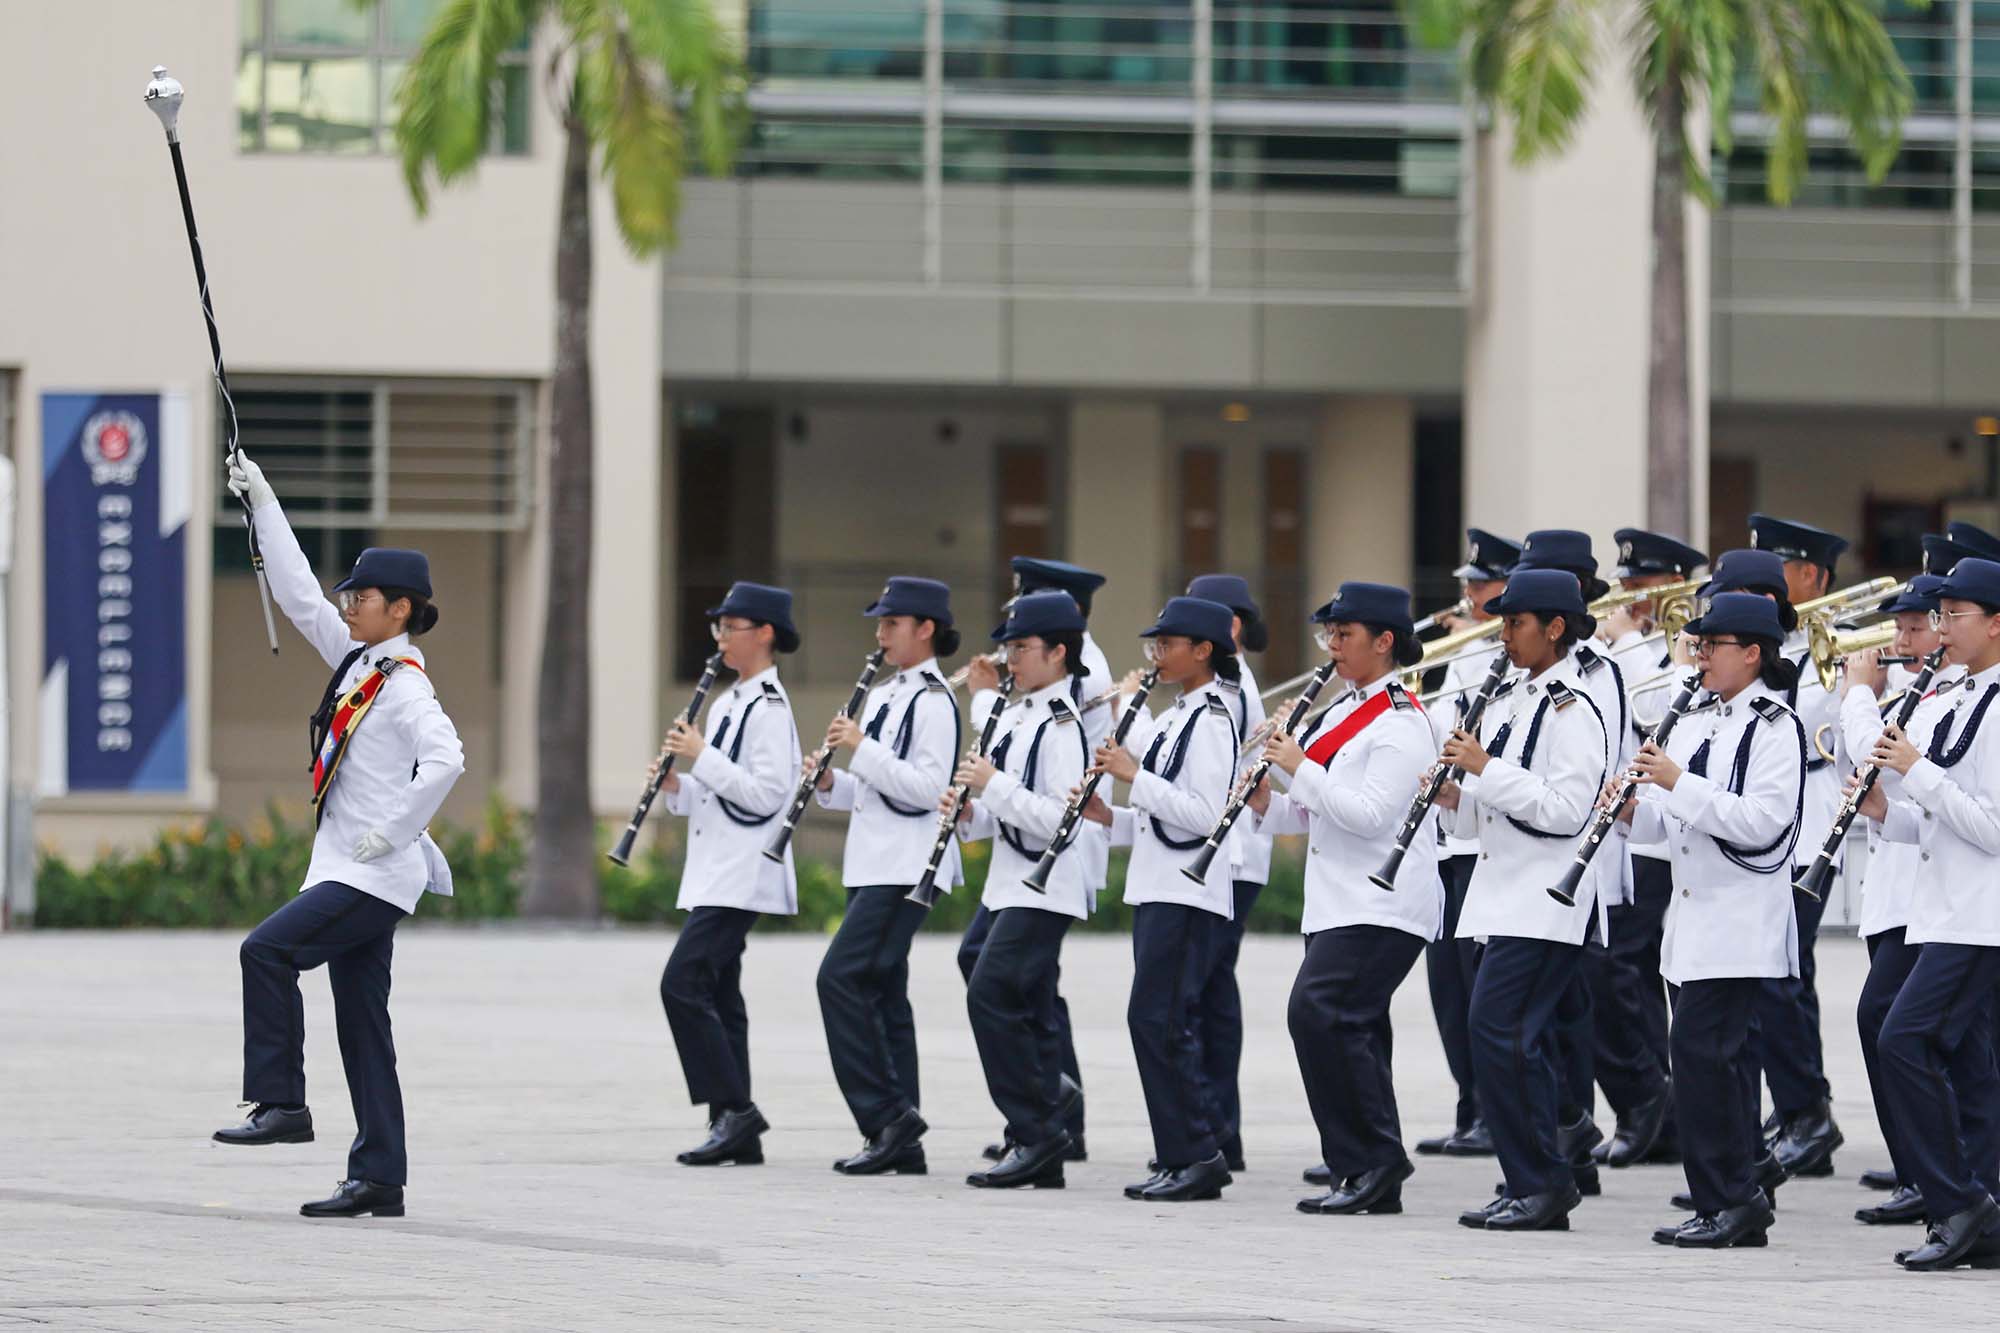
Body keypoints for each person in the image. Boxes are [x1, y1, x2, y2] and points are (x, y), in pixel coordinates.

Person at [212, 452, 465, 1220]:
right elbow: (291, 590)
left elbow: (449, 757)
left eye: (363, 595)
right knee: (363, 1024)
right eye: (349, 592)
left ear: (403, 609)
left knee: (266, 950)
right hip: (348, 869)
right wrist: (259, 496)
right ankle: (379, 1176)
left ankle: (283, 1103)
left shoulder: (408, 685)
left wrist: (393, 834)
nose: (347, 602)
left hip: (371, 875)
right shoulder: (358, 661)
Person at [1610, 593, 1807, 1249]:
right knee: (1695, 1060)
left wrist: (1674, 780)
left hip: (1743, 923)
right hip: (1691, 923)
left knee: (1708, 1058)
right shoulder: (1696, 720)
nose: (1697, 657)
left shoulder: (1778, 726)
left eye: (1710, 645)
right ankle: (1721, 1199)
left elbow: (1762, 823)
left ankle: (1733, 1198)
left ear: (1751, 651)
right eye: (1696, 645)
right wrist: (1629, 812)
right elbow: (1674, 827)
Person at [1249, 583, 1441, 1216]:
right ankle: (1358, 1167)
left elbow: (1368, 814)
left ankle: (1376, 1161)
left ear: (1384, 642)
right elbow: (1313, 812)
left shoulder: (1404, 722)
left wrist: (1297, 763)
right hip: (1337, 901)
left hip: (1382, 901)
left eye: (1345, 635)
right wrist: (1266, 800)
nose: (1332, 646)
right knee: (1348, 1027)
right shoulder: (1342, 712)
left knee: (1320, 1013)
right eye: (1328, 634)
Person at [1436, 568, 1610, 1233]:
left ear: (1555, 627)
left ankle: (1542, 1180)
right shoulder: (1513, 699)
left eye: (1515, 623)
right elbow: (1493, 813)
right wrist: (1458, 798)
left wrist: (1484, 770)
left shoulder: (1575, 707)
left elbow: (1567, 810)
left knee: (1504, 1033)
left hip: (1545, 900)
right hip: (1503, 896)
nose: (1503, 633)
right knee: (1503, 1040)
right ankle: (1528, 1178)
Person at [1853, 555, 2000, 1271]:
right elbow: (1943, 818)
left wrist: (1916, 770)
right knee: (1965, 1064)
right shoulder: (1966, 693)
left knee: (1902, 1040)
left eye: (1955, 615)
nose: (1940, 628)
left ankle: (1959, 1199)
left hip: (1981, 916)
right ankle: (1982, 1214)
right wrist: (1887, 810)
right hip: (1944, 910)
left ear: (1997, 621)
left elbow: (1994, 827)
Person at [1080, 596, 1242, 1200]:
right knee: (1156, 1022)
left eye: (1167, 645)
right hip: (1159, 888)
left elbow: (1204, 815)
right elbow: (1159, 821)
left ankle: (1198, 1153)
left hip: (1187, 895)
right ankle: (1181, 1153)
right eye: (1154, 646)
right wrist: (1110, 816)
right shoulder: (1178, 714)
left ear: (1203, 650)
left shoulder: (1216, 718)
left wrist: (1131, 775)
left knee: (1161, 1022)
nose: (1156, 657)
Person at [813, 577, 963, 1176]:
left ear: (925, 629)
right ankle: (904, 1138)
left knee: (839, 980)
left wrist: (859, 748)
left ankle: (886, 1115)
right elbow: (877, 789)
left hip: (905, 866)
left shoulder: (934, 701)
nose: (879, 634)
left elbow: (927, 790)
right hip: (873, 859)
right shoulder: (884, 694)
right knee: (881, 994)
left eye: (891, 624)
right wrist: (831, 783)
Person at [962, 557, 1110, 1162]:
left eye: (1021, 647)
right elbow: (1010, 804)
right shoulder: (1023, 714)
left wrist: (992, 785)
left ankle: (1039, 1127)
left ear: (1057, 652)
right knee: (1012, 992)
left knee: (991, 992)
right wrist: (973, 808)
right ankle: (1043, 1123)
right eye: (1010, 647)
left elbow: (1059, 820)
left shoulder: (1059, 723)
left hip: (1046, 884)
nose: (1011, 658)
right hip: (1012, 877)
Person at [655, 582, 803, 1167]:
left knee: (681, 983)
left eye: (730, 627)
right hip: (716, 867)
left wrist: (700, 755)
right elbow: (719, 794)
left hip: (744, 872)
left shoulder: (770, 708)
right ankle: (733, 1125)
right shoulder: (727, 702)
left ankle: (735, 1109)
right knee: (719, 993)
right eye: (718, 627)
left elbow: (768, 795)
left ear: (764, 633)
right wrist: (676, 787)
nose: (719, 637)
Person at [1509, 530, 1625, 1192]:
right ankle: (1566, 1136)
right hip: (1525, 860)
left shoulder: (1594, 672)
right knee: (1543, 1021)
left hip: (1573, 862)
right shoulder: (1531, 672)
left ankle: (1568, 1140)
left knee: (1561, 1018)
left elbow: (1592, 769)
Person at [1839, 572, 1957, 1226]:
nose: (1901, 640)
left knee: (1891, 1024)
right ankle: (1922, 1169)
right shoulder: (1909, 689)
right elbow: (1852, 766)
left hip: (1931, 893)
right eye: (1901, 628)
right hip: (1895, 886)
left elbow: (1874, 746)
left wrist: (1859, 693)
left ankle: (1939, 1173)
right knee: (1885, 1024)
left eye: (1915, 627)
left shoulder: (1935, 692)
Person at [1591, 527, 1708, 1168]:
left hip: (1682, 826)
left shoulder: (1690, 645)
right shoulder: (1625, 646)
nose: (1630, 597)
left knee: (1653, 973)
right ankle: (1649, 1101)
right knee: (1620, 968)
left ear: (1674, 588)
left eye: (1641, 586)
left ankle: (1664, 1106)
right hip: (1643, 827)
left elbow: (1667, 705)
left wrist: (1630, 640)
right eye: (1629, 586)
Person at [1745, 513, 1851, 1177]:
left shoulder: (1830, 646)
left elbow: (1804, 716)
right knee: (1784, 975)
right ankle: (1800, 1107)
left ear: (1810, 574)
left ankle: (1807, 1111)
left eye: (1775, 570)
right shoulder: (1782, 640)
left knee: (1779, 974)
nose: (1766, 585)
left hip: (1810, 823)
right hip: (1779, 820)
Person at [1412, 527, 1521, 1162]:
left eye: (1482, 585)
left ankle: (1490, 1112)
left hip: (1483, 838)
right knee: (1447, 989)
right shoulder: (1461, 648)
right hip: (1448, 836)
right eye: (1469, 585)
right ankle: (1467, 1105)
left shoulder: (1500, 654)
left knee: (1480, 991)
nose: (1471, 594)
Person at [1184, 573, 1270, 1171]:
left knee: (1200, 995)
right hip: (1233, 858)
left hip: (1231, 859)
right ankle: (1220, 1127)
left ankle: (1214, 1125)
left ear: (1229, 627)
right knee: (1212, 994)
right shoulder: (1226, 685)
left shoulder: (1231, 689)